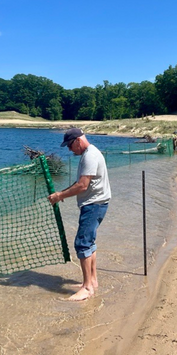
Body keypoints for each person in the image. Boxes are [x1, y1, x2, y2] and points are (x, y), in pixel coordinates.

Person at [48, 128, 111, 301]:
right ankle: (93, 281)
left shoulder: (90, 155)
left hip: (94, 205)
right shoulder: (90, 153)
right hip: (97, 203)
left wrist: (60, 195)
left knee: (82, 243)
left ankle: (87, 288)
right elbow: (80, 183)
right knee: (89, 242)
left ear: (77, 141)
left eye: (69, 145)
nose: (69, 149)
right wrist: (62, 192)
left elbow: (83, 185)